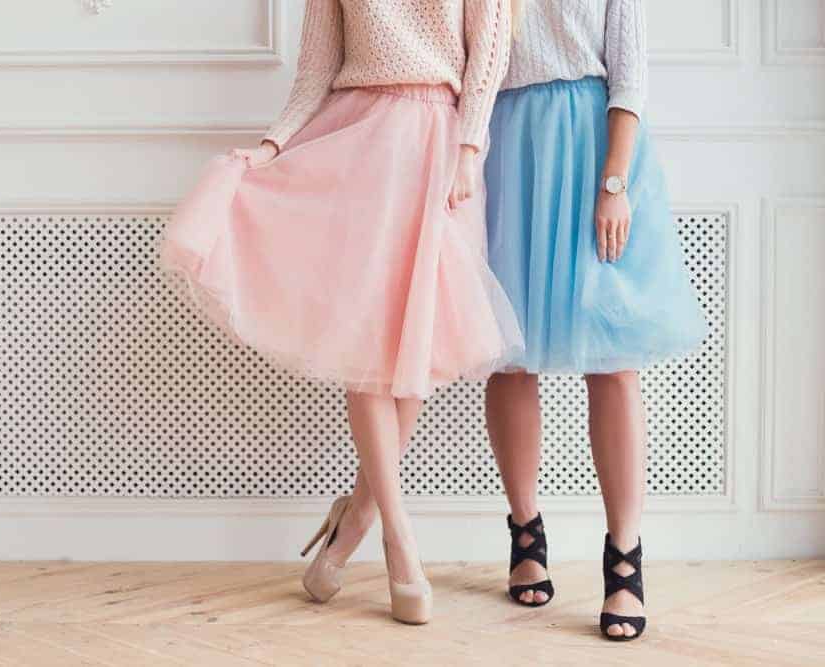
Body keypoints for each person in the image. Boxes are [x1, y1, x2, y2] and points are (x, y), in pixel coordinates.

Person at [161, 0, 519, 624]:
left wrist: (469, 146)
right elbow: (315, 72)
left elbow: (488, 53)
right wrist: (273, 147)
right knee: (369, 338)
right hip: (358, 142)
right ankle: (398, 540)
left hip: (441, 141)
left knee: (418, 342)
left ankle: (355, 514)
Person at [481, 0, 708, 641]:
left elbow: (629, 74)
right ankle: (525, 531)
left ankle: (625, 559)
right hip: (506, 149)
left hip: (592, 149)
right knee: (509, 351)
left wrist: (614, 181)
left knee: (612, 358)